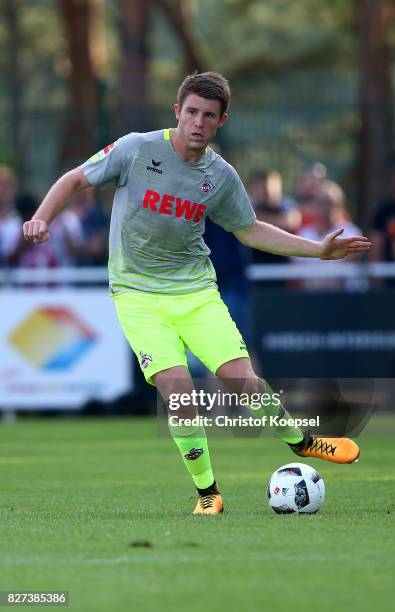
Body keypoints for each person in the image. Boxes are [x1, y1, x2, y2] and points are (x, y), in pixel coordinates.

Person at [23, 72, 371, 515]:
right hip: (137, 295)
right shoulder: (136, 149)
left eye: (209, 115)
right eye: (191, 112)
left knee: (243, 382)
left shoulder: (220, 176)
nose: (198, 122)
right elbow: (74, 179)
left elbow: (250, 230)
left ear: (221, 121)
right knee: (179, 394)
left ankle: (302, 442)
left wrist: (317, 251)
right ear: (177, 112)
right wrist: (41, 218)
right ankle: (208, 493)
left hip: (195, 292)